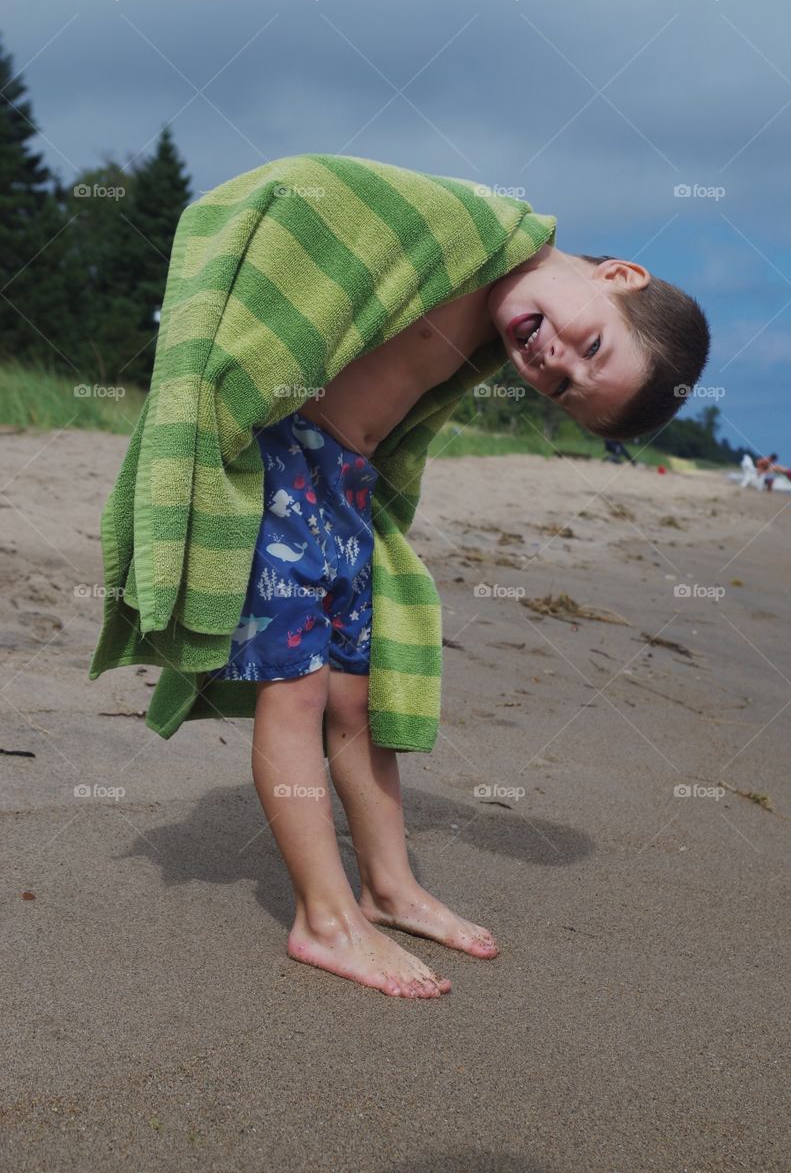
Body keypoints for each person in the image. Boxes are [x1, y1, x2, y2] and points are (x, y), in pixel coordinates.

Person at [92, 159, 710, 999]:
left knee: (357, 693)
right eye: (588, 343)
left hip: (342, 481)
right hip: (279, 455)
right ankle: (324, 916)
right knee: (297, 690)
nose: (551, 362)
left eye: (564, 388)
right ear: (619, 276)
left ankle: (388, 884)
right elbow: (310, 189)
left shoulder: (498, 321)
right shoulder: (470, 227)